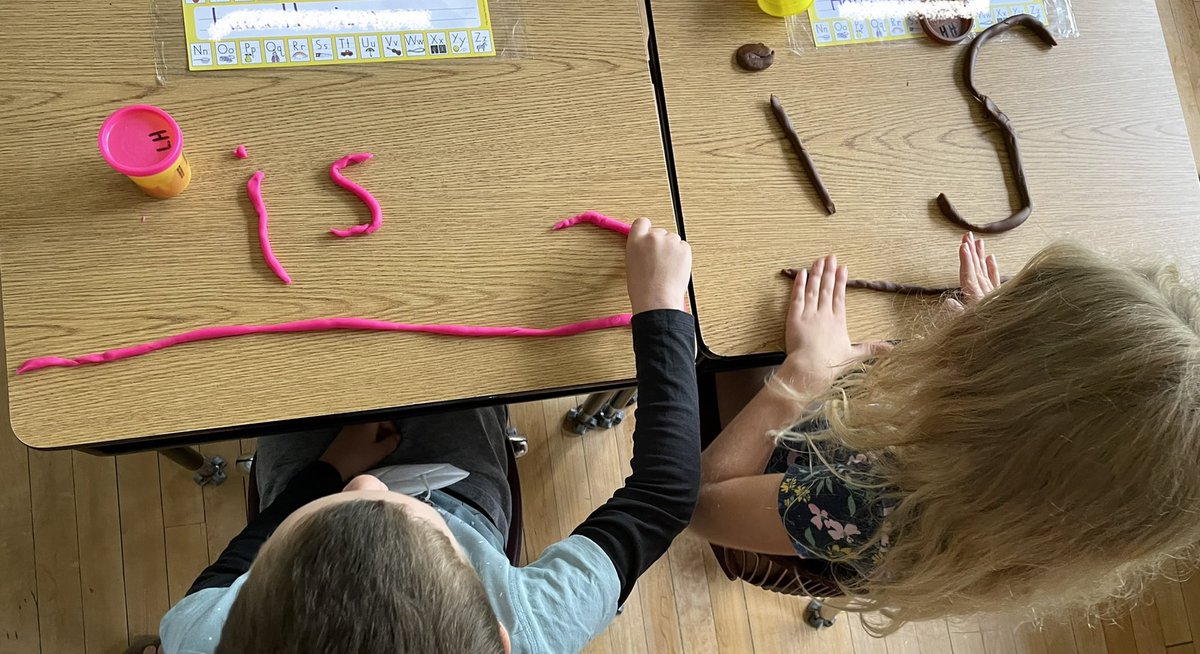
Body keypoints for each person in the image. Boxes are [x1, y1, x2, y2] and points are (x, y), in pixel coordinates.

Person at [158, 218, 699, 654]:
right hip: (463, 495)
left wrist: (325, 474)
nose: (366, 482)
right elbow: (663, 497)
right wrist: (662, 311)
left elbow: (234, 566)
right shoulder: (536, 627)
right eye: (380, 497)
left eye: (348, 497)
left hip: (304, 483)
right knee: (463, 369)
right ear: (501, 638)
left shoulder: (200, 636)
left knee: (280, 366)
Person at [692, 234, 1200, 634]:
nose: (960, 319)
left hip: (789, 480)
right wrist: (1004, 336)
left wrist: (800, 375)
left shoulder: (873, 507)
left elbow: (696, 502)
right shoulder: (1032, 503)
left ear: (1000, 413)